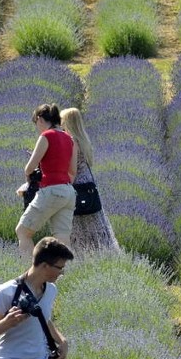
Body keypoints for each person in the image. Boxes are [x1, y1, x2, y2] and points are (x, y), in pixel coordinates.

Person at [16, 103, 77, 259]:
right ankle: (65, 275)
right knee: (62, 240)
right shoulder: (70, 139)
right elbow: (72, 172)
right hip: (68, 193)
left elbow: (29, 168)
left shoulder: (46, 136)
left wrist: (31, 181)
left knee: (23, 231)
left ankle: (31, 274)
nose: (37, 127)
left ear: (40, 119)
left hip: (51, 190)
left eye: (36, 123)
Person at [60, 107, 119, 253]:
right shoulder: (84, 140)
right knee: (95, 226)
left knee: (79, 227)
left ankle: (81, 258)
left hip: (78, 187)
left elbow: (72, 170)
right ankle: (103, 256)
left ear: (68, 122)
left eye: (62, 122)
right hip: (89, 186)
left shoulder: (72, 141)